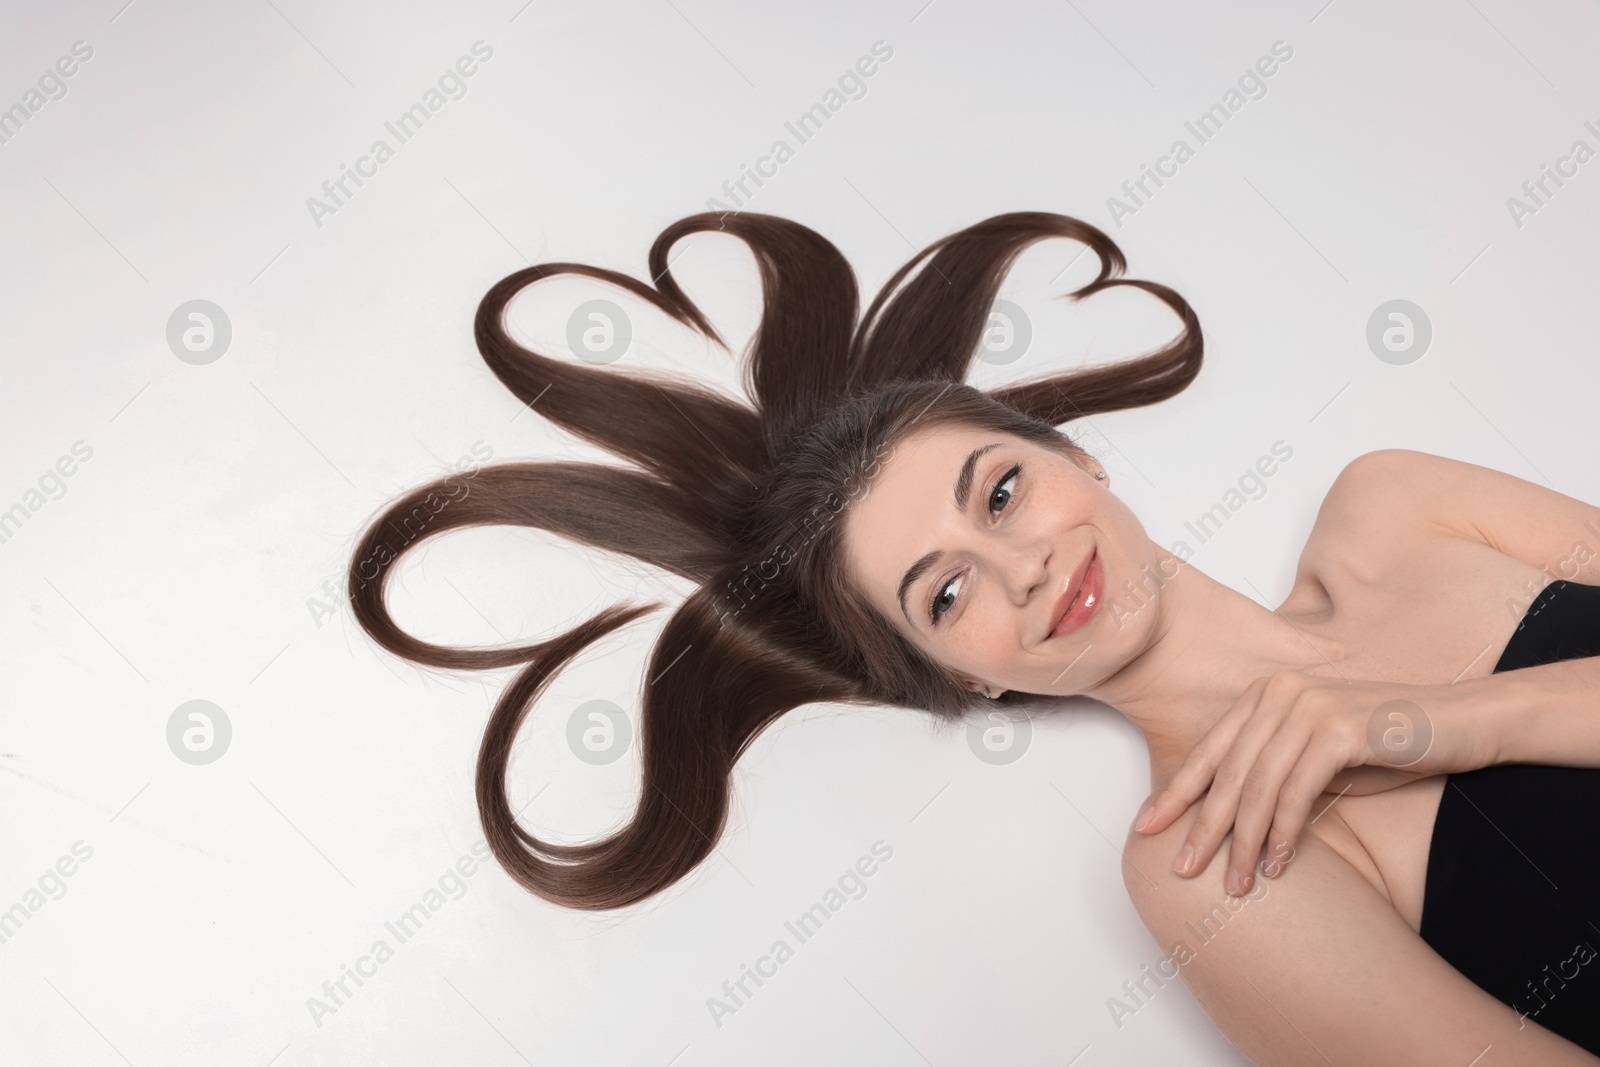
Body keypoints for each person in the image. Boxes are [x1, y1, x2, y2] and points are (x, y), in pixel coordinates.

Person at [348, 210, 1600, 1064]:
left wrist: (1441, 722)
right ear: (963, 678)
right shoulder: (1212, 857)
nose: (1022, 565)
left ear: (1077, 457)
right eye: (945, 596)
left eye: (999, 491)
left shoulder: (1395, 504)